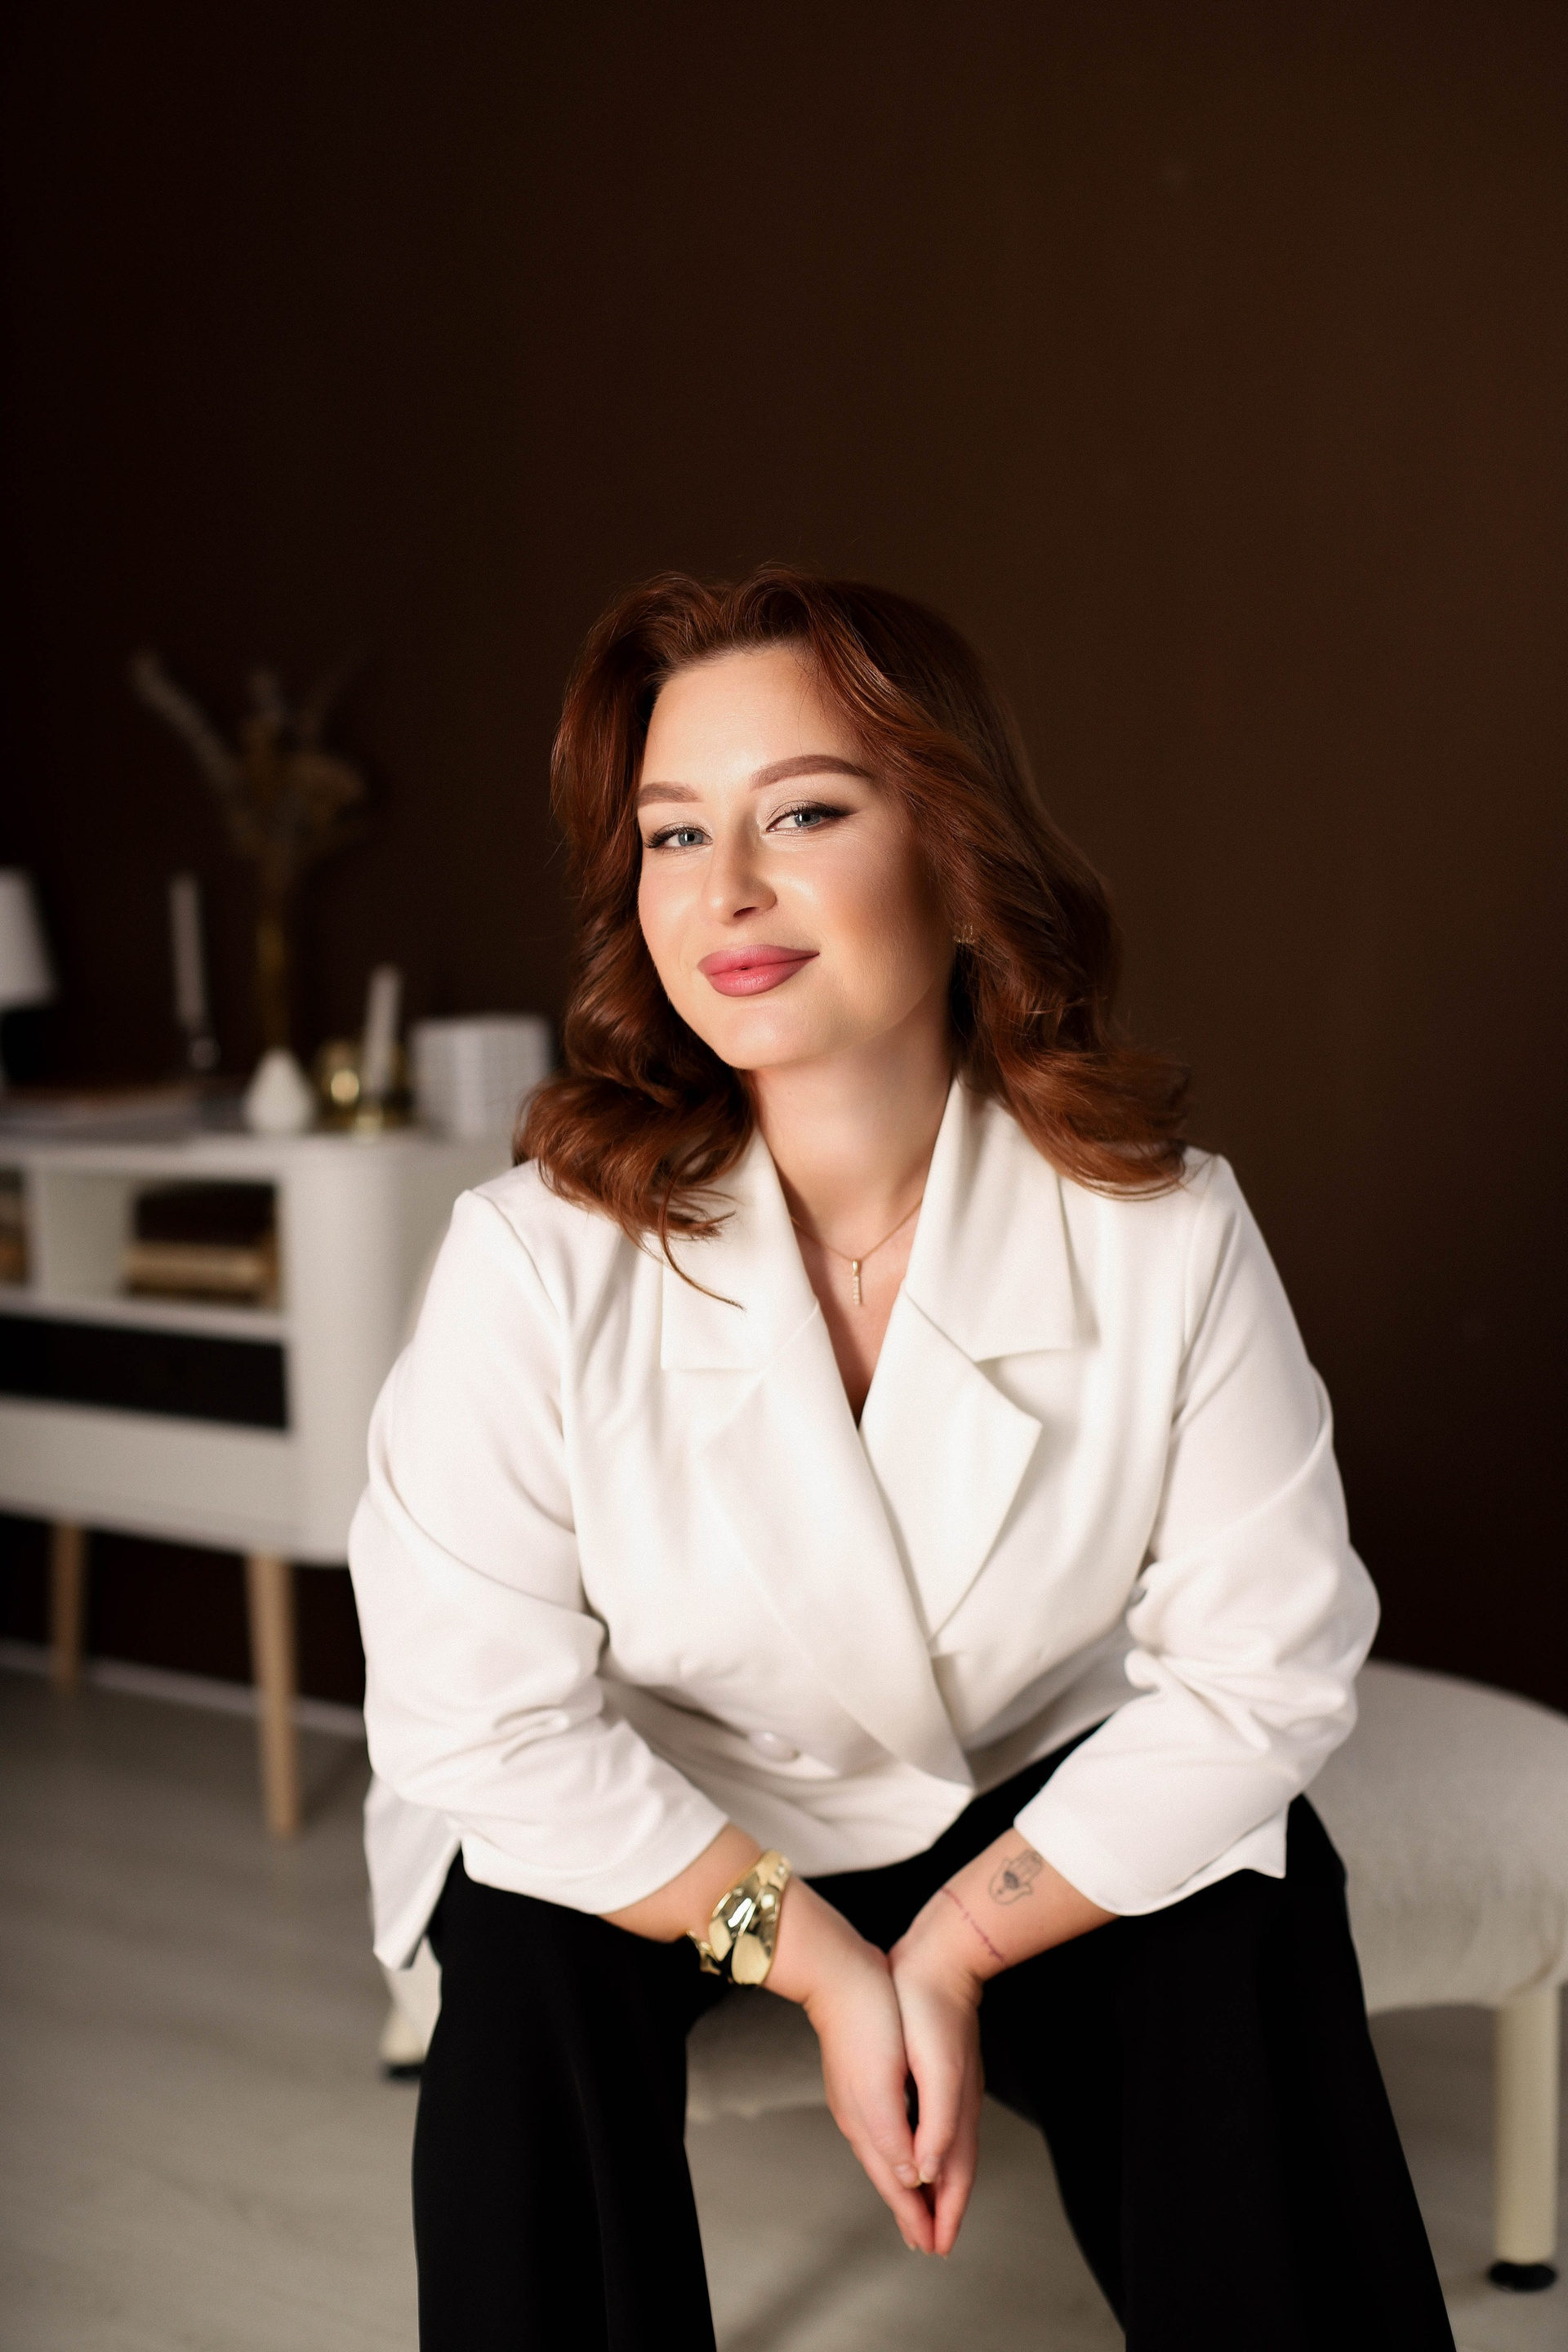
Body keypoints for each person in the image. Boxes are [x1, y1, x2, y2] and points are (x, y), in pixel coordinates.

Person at [349, 568, 1455, 2351]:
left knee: (1243, 1912)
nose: (726, 889)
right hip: (669, 1789)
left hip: (1015, 1769)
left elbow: (1265, 1670)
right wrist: (818, 1964)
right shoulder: (530, 1257)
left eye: (802, 813)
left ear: (953, 851)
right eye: (674, 834)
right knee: (527, 1942)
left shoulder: (1167, 1230)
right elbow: (478, 1723)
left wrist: (949, 1947)